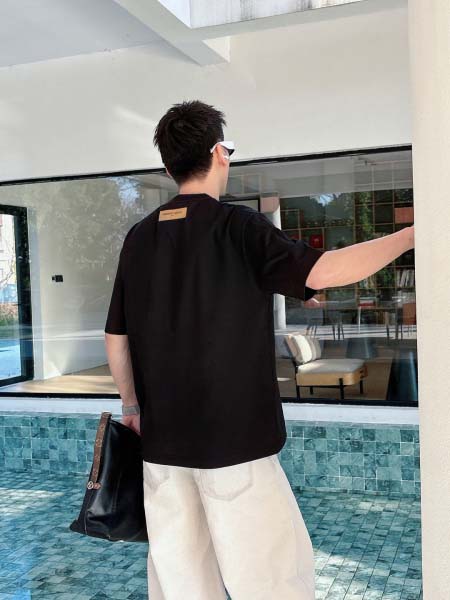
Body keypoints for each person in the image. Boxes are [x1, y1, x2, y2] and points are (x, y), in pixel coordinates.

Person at [104, 100, 415, 599]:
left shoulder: (139, 237)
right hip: (236, 440)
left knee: (181, 582)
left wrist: (132, 407)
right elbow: (326, 270)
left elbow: (116, 336)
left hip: (162, 444)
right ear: (218, 153)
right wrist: (413, 235)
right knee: (270, 579)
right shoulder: (238, 226)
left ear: (168, 165)